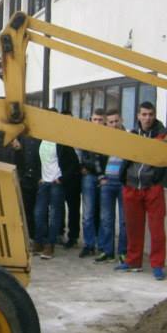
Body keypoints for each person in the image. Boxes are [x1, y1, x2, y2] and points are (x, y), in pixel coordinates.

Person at [116, 101, 167, 280]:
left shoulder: (163, 135)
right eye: (144, 114)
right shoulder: (131, 134)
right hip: (131, 186)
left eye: (150, 114)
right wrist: (123, 178)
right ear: (138, 115)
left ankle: (158, 265)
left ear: (154, 116)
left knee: (157, 229)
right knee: (133, 227)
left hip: (152, 187)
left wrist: (159, 179)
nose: (147, 118)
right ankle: (133, 262)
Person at [96, 109, 128, 264]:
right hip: (107, 183)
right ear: (106, 123)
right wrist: (101, 176)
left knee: (124, 220)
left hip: (123, 183)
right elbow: (97, 157)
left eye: (116, 121)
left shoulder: (129, 137)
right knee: (106, 219)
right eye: (111, 122)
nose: (114, 125)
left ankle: (123, 252)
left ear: (121, 120)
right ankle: (108, 252)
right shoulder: (103, 138)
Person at [34, 110, 66, 260]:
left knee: (54, 215)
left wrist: (61, 178)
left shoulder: (61, 140)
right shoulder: (41, 138)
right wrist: (39, 176)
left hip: (56, 183)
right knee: (39, 213)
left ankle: (49, 245)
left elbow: (70, 161)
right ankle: (39, 242)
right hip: (44, 182)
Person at [76, 108, 106, 258]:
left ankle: (101, 245)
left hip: (104, 177)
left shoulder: (109, 136)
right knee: (87, 214)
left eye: (100, 120)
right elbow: (79, 153)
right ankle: (89, 244)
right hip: (89, 176)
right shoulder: (85, 135)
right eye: (95, 119)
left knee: (102, 213)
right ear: (91, 119)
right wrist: (82, 166)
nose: (98, 122)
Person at [57, 115, 81, 249]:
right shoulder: (59, 140)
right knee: (60, 208)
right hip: (62, 179)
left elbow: (74, 163)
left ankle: (73, 236)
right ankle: (61, 233)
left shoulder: (76, 138)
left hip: (72, 180)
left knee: (73, 209)